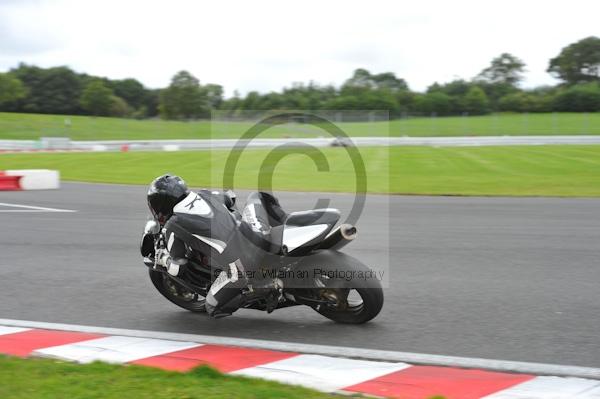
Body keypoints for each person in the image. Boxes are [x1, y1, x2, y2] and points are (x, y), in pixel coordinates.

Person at [146, 174, 285, 317]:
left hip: (241, 265)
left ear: (160, 205)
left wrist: (163, 258)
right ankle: (286, 222)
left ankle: (264, 288)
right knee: (257, 195)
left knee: (211, 306)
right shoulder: (204, 194)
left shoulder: (173, 225)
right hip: (255, 235)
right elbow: (229, 199)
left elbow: (178, 267)